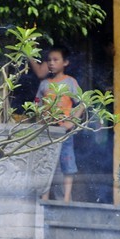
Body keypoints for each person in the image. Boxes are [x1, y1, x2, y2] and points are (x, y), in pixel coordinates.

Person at [37, 46, 82, 202]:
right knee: (46, 164)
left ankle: (66, 199)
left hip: (64, 131)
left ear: (65, 62)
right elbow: (37, 105)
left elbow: (82, 103)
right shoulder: (44, 84)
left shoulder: (70, 82)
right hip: (48, 131)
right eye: (49, 60)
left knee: (67, 162)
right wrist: (40, 122)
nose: (51, 63)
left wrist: (71, 122)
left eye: (56, 60)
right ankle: (44, 197)